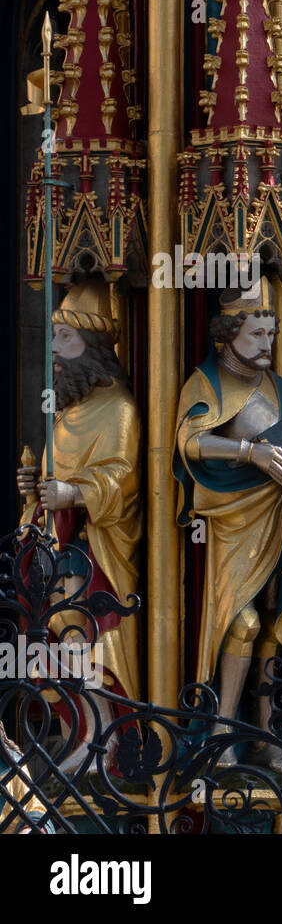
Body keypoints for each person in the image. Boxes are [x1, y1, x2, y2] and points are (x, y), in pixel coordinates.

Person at [174, 281, 282, 765]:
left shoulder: (278, 388)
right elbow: (189, 441)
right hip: (233, 519)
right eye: (256, 334)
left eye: (271, 333)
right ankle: (223, 728)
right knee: (237, 620)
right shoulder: (208, 382)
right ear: (227, 334)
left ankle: (266, 736)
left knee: (270, 622)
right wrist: (250, 453)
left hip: (280, 514)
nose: (267, 344)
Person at [16, 279, 140, 772]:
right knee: (56, 632)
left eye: (64, 337)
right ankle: (77, 734)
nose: (52, 349)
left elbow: (123, 479)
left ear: (94, 346)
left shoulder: (121, 409)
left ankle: (99, 739)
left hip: (99, 553)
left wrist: (73, 493)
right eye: (53, 336)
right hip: (62, 550)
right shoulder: (70, 412)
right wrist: (36, 491)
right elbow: (55, 486)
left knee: (79, 631)